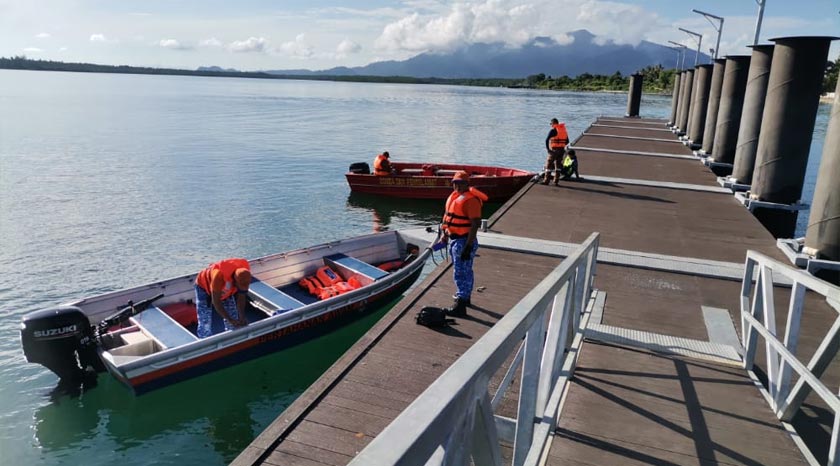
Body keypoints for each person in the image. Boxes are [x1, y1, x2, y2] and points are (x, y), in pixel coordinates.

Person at [439, 171, 487, 316]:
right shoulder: (455, 197)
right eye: (455, 183)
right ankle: (464, 299)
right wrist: (445, 235)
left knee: (461, 272)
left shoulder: (470, 200)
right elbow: (450, 219)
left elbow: (475, 224)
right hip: (455, 239)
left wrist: (467, 246)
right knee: (465, 271)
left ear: (467, 184)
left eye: (461, 183)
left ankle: (460, 306)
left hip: (463, 241)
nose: (457, 186)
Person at [194, 258, 251, 338]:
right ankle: (204, 339)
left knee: (233, 315)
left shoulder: (244, 274)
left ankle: (232, 338)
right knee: (205, 318)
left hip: (226, 290)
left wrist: (242, 316)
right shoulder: (219, 276)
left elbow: (241, 296)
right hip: (203, 287)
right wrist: (229, 319)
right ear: (235, 281)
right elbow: (216, 302)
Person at [543, 118, 569, 185]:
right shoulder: (564, 130)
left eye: (551, 124)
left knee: (548, 165)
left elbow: (546, 140)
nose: (551, 125)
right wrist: (561, 145)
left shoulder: (553, 130)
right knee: (558, 165)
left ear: (554, 123)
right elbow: (567, 141)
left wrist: (548, 149)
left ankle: (546, 181)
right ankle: (556, 181)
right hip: (562, 150)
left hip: (554, 150)